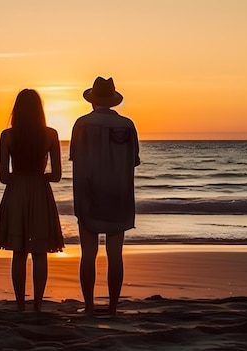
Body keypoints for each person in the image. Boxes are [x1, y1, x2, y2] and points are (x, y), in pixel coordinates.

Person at [70, 76, 141, 316]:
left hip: (89, 194)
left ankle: (89, 306)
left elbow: (75, 158)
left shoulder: (81, 124)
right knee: (115, 255)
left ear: (92, 101)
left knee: (88, 254)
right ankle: (112, 306)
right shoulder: (128, 125)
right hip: (118, 194)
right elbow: (134, 161)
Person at [0, 89, 64, 312]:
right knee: (40, 252)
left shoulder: (7, 135)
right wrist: (41, 177)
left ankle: (21, 304)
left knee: (18, 252)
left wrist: (18, 177)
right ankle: (39, 304)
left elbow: (3, 176)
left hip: (16, 191)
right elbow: (57, 175)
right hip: (40, 191)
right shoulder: (51, 135)